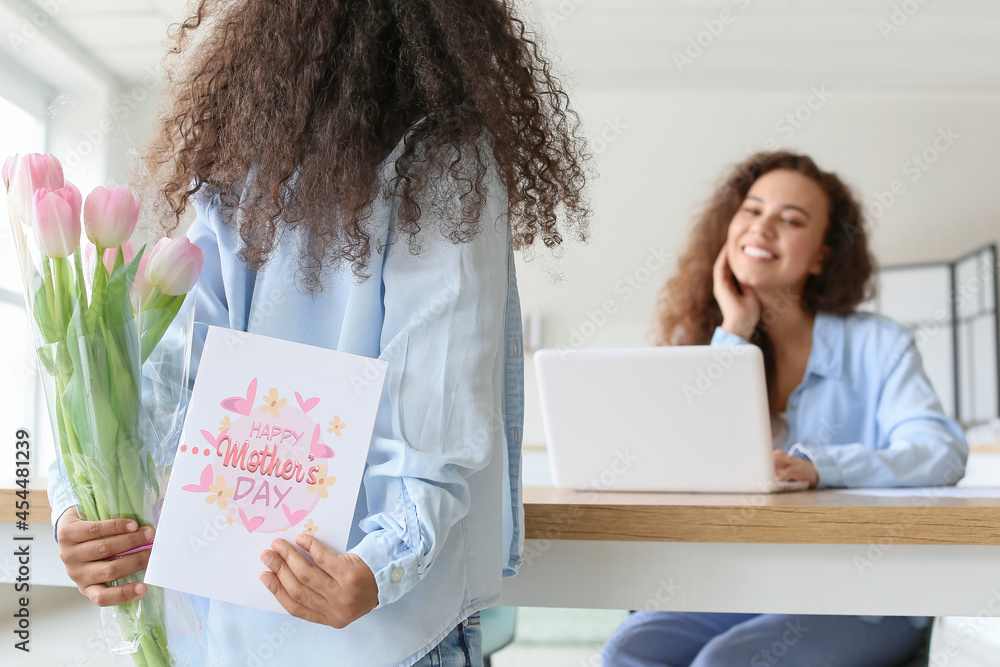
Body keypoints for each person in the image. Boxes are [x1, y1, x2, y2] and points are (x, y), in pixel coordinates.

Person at [47, 1, 589, 665]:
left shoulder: (392, 161)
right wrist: (83, 512)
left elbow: (153, 374)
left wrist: (82, 500)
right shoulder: (274, 163)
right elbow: (165, 367)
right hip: (344, 624)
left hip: (294, 625)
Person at [602, 151, 968, 667]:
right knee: (629, 645)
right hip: (753, 580)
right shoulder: (710, 346)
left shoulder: (878, 345)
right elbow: (693, 469)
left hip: (867, 598)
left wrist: (823, 468)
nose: (764, 226)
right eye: (752, 210)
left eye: (791, 220)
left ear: (820, 255)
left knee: (725, 662)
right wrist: (734, 332)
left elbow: (942, 453)